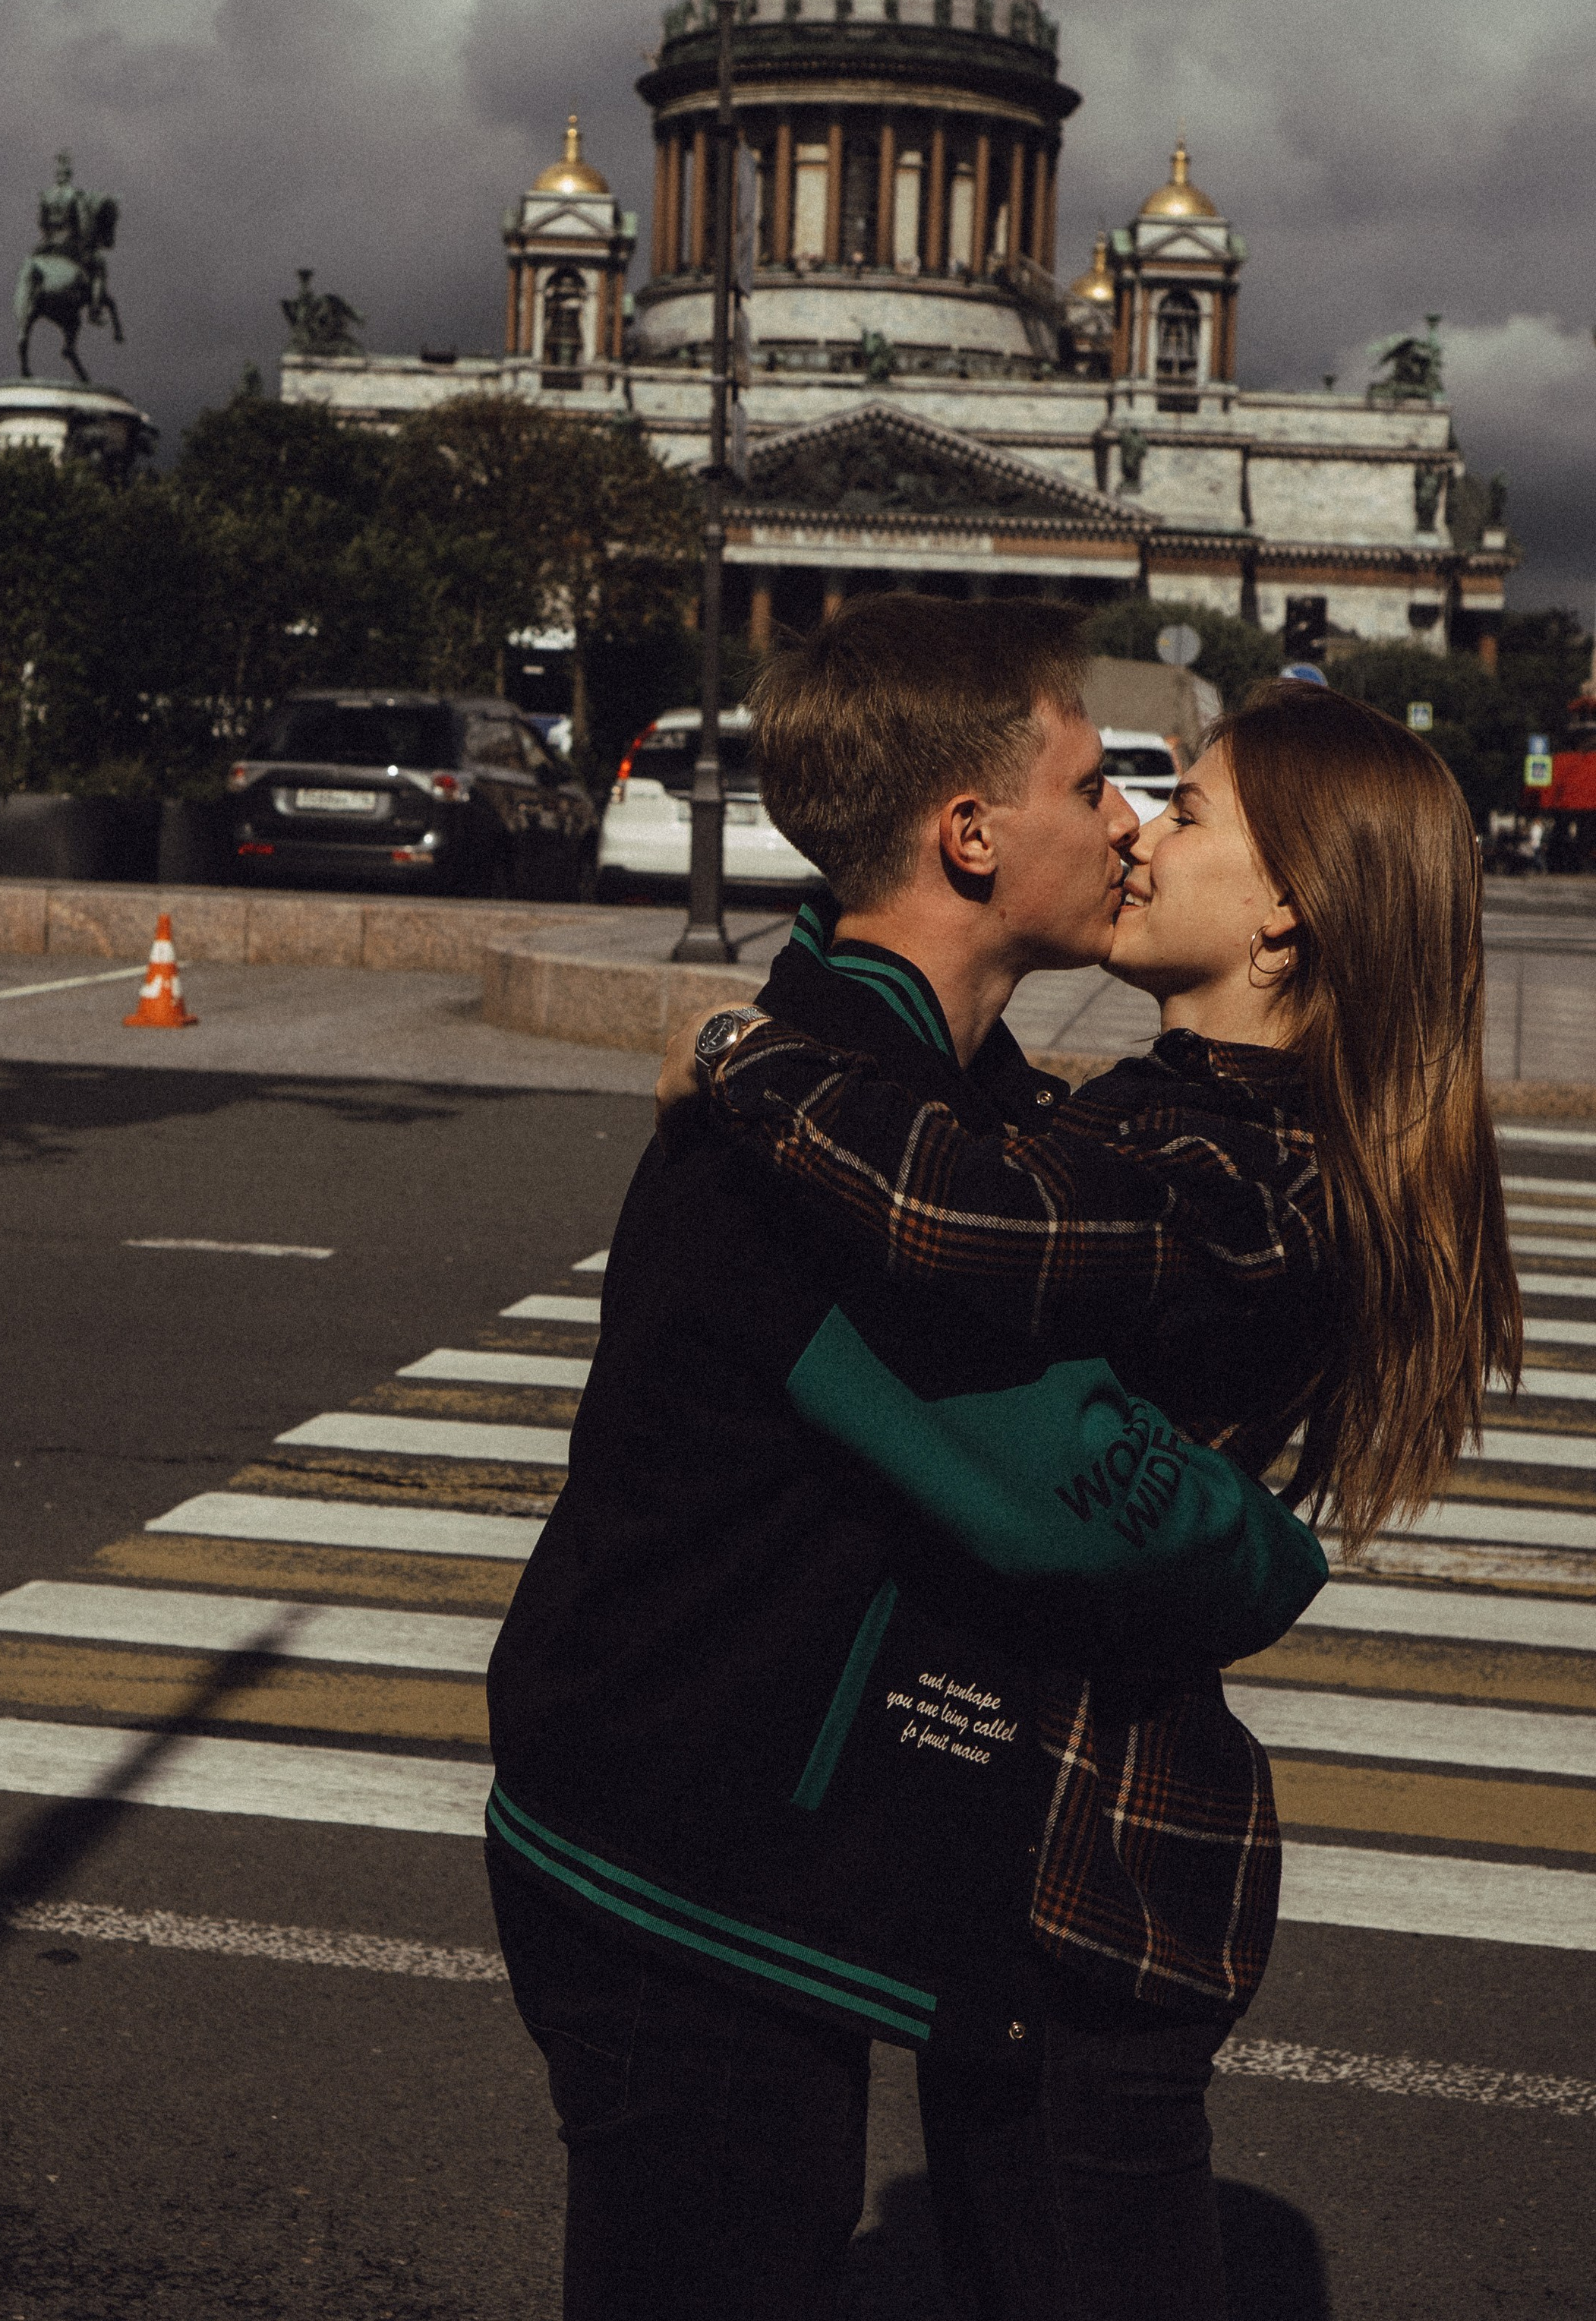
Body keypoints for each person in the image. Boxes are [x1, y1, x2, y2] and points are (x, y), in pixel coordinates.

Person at [484, 598, 1339, 2321]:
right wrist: (1262, 1547)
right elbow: (1066, 1496)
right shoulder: (823, 1152)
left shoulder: (924, 1103)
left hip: (744, 1843)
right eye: (1093, 782)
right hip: (674, 1859)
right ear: (967, 834)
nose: (1124, 820)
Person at [662, 664, 1521, 2317]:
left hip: (1094, 1860)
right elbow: (1013, 1161)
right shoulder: (1172, 1117)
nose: (1133, 833)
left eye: (1185, 809)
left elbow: (990, 1228)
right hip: (1022, 1837)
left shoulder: (1258, 1179)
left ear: (1285, 919)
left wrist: (743, 1058)